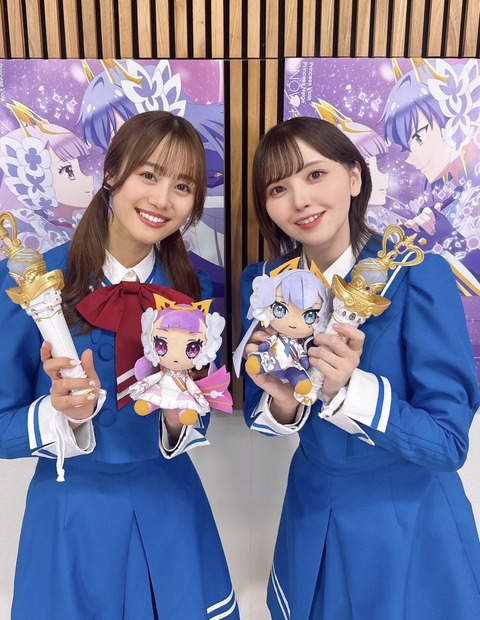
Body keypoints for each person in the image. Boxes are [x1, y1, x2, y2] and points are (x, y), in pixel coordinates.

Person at [238, 116, 480, 619]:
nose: (300, 200)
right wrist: (282, 402)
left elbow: (448, 444)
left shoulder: (418, 276)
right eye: (278, 188)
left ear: (354, 177)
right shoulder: (264, 285)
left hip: (409, 521)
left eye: (315, 175)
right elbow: (261, 417)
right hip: (312, 509)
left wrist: (349, 389)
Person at [0, 111, 239, 619]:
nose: (162, 199)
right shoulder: (30, 281)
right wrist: (60, 414)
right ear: (111, 173)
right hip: (70, 515)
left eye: (182, 186)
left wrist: (178, 418)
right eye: (148, 175)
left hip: (170, 506)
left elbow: (203, 406)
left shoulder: (199, 287)